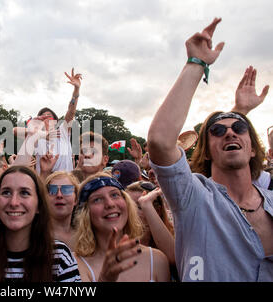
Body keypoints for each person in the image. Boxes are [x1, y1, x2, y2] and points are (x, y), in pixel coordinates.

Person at [147, 18, 273, 281]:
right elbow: (160, 140)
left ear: (253, 150)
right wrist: (196, 64)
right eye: (216, 131)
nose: (229, 132)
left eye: (239, 128)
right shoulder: (193, 197)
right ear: (205, 151)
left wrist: (241, 112)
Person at [0, 165, 81, 282]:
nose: (14, 202)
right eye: (6, 192)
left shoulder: (60, 257)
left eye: (24, 193)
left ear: (39, 204)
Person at [73, 173, 170, 282]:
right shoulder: (74, 264)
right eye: (97, 199)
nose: (110, 204)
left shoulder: (157, 260)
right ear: (85, 213)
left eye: (114, 195)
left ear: (127, 203)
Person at [13, 68, 82, 174]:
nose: (45, 118)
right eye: (42, 117)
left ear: (55, 120)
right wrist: (43, 134)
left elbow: (71, 111)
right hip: (44, 184)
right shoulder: (37, 137)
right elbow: (14, 131)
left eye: (48, 116)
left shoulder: (63, 131)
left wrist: (76, 90)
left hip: (65, 183)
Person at [125, 181, 175, 267]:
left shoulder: (175, 239)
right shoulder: (118, 243)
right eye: (129, 206)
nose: (132, 212)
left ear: (157, 211)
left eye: (139, 207)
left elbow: (173, 258)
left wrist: (146, 204)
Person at [45, 171, 79, 248]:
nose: (59, 195)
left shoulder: (87, 237)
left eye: (67, 190)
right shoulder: (33, 235)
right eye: (52, 190)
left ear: (76, 199)